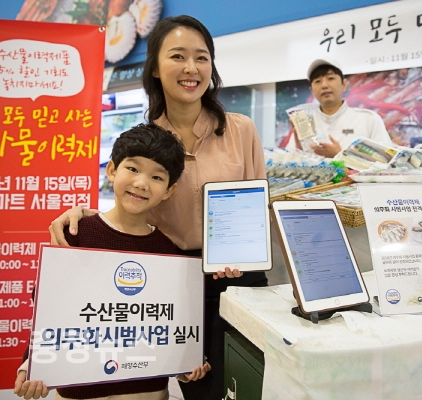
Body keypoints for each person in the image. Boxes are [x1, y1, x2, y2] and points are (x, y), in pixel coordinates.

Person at [48, 15, 268, 400]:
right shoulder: (149, 140)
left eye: (201, 58)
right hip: (175, 283)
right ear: (154, 67)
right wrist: (87, 215)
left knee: (250, 387)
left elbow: (258, 207)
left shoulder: (241, 129)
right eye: (178, 56)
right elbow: (135, 204)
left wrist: (247, 252)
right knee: (200, 389)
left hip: (241, 281)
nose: (191, 68)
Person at [14, 124, 210, 400]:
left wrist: (187, 362)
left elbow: (172, 321)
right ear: (111, 170)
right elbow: (50, 308)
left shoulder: (167, 250)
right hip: (80, 392)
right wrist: (32, 363)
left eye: (156, 176)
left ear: (169, 190)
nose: (141, 183)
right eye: (133, 168)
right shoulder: (78, 234)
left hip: (148, 392)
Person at [285, 58, 392, 157]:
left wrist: (339, 155)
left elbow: (386, 160)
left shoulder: (368, 119)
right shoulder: (306, 122)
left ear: (344, 85)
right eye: (317, 81)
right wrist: (297, 139)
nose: (324, 85)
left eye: (330, 78)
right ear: (311, 90)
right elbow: (290, 161)